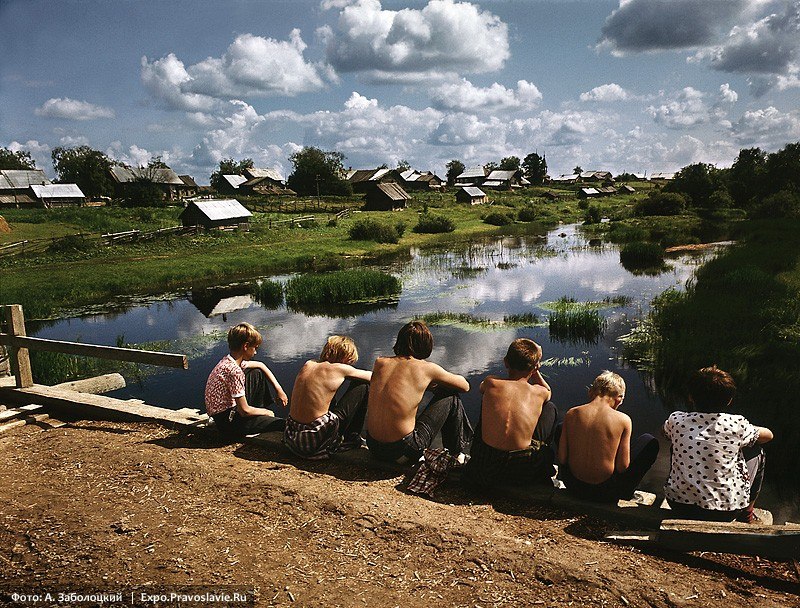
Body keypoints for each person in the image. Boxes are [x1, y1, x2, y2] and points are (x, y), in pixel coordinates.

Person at [663, 365, 773, 523]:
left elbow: (663, 431)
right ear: (729, 400)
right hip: (726, 511)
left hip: (678, 504)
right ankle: (747, 513)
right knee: (757, 450)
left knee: (675, 442)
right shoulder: (737, 424)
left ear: (691, 397)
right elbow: (769, 435)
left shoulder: (677, 420)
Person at [366, 321, 473, 464]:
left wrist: (425, 386)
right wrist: (436, 384)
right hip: (402, 450)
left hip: (373, 446)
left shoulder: (380, 362)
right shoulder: (426, 368)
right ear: (425, 344)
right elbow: (465, 386)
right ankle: (456, 455)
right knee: (451, 397)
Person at [463, 338, 557, 489]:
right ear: (534, 368)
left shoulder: (491, 383)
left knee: (487, 400)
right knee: (550, 408)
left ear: (506, 362)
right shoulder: (539, 392)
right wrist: (536, 371)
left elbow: (481, 389)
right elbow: (548, 392)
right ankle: (542, 469)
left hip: (483, 468)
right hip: (520, 472)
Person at [557, 371, 659, 502]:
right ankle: (627, 493)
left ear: (591, 392)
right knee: (649, 441)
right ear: (619, 398)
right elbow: (622, 467)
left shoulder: (572, 413)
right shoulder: (623, 420)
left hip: (573, 486)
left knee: (561, 427)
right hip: (606, 492)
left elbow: (562, 458)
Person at [283, 336, 372, 459]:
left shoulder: (309, 364)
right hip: (314, 441)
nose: (350, 364)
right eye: (350, 361)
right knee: (362, 385)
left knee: (328, 392)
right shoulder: (339, 369)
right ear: (344, 357)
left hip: (293, 436)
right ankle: (352, 437)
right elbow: (373, 377)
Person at [205, 322, 287, 438]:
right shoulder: (234, 371)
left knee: (256, 373)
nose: (255, 352)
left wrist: (279, 389)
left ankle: (257, 417)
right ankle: (258, 419)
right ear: (245, 346)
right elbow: (244, 411)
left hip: (222, 415)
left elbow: (260, 365)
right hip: (228, 423)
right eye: (255, 348)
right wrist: (266, 412)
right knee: (281, 424)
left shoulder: (228, 361)